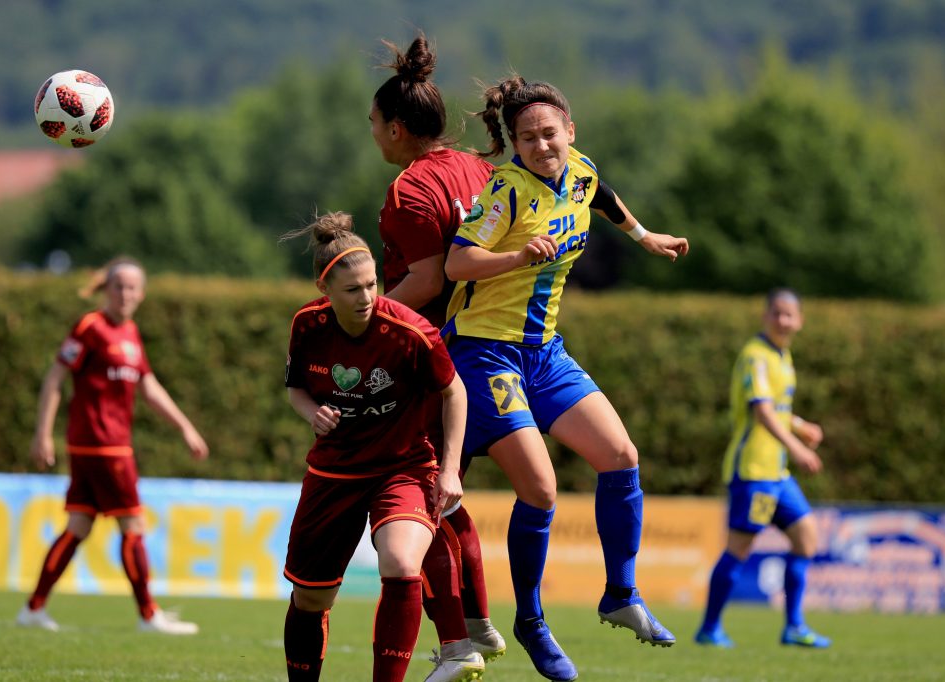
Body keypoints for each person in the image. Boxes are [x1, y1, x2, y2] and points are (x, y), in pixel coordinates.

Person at [442, 75, 689, 681]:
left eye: (549, 133)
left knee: (621, 454)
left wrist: (642, 235)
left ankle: (620, 594)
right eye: (528, 137)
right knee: (543, 490)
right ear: (516, 146)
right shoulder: (506, 191)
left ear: (569, 132)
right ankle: (530, 621)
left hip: (544, 352)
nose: (541, 144)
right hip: (485, 352)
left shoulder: (579, 169)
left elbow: (600, 194)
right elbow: (456, 262)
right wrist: (516, 256)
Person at [279, 212, 467, 682]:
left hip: (403, 468)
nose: (366, 297)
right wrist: (312, 414)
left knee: (402, 563)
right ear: (325, 291)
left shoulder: (410, 331)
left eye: (372, 284)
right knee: (311, 599)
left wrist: (449, 470)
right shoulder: (307, 325)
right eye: (352, 289)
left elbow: (454, 391)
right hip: (334, 473)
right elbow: (296, 389)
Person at [370, 32, 504, 681]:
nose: (371, 133)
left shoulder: (409, 189)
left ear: (397, 128)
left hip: (428, 357)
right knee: (445, 495)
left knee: (411, 504)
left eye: (373, 122)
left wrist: (368, 323)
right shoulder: (476, 168)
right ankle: (474, 621)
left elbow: (423, 278)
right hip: (484, 349)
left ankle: (457, 645)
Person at [17, 256, 209, 635]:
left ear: (142, 293)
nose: (125, 293)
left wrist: (185, 427)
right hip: (103, 445)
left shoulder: (131, 333)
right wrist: (42, 433)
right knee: (133, 524)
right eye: (118, 286)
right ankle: (148, 615)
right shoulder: (91, 327)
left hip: (104, 445)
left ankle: (33, 608)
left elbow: (148, 386)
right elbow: (55, 377)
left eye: (132, 287)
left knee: (78, 525)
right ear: (106, 289)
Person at [695, 288, 831, 649]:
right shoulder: (756, 356)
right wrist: (798, 447)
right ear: (765, 316)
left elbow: (779, 409)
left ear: (799, 321)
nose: (783, 320)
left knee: (806, 538)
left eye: (790, 314)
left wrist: (801, 426)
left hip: (778, 474)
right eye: (777, 313)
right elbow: (763, 411)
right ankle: (709, 628)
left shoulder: (782, 356)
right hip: (754, 471)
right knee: (739, 548)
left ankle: (794, 627)